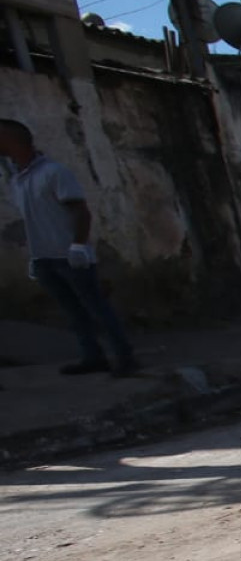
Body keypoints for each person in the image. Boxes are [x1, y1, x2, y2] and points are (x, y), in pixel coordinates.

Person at [0, 117, 137, 376]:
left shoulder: (53, 172)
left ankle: (124, 356)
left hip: (68, 254)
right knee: (73, 312)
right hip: (43, 257)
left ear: (12, 139)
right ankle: (93, 357)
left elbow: (80, 211)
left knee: (96, 307)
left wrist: (78, 245)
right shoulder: (17, 178)